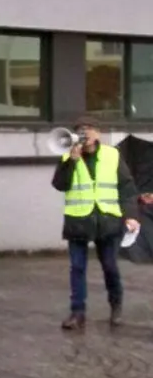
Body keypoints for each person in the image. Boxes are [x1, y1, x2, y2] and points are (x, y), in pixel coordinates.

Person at [51, 116, 139, 330]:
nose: (85, 133)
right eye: (81, 129)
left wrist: (131, 215)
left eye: (89, 129)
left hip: (107, 220)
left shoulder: (112, 155)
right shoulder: (67, 157)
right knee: (77, 268)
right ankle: (77, 312)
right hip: (78, 221)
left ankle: (116, 305)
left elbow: (126, 187)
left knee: (110, 267)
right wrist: (71, 161)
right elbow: (60, 185)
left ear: (98, 133)